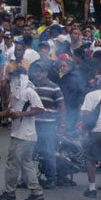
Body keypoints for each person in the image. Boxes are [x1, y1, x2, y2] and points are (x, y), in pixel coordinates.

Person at [0, 66, 45, 200]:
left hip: (23, 135)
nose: (10, 81)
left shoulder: (29, 91)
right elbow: (11, 111)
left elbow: (39, 108)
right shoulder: (17, 93)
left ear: (20, 78)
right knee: (27, 163)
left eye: (13, 78)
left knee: (12, 164)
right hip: (23, 135)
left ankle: (10, 193)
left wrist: (21, 114)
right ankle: (36, 192)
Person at [30, 61, 66, 189]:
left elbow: (62, 108)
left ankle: (51, 179)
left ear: (46, 73)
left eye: (41, 71)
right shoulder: (31, 87)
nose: (38, 74)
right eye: (36, 71)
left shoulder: (54, 87)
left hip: (48, 126)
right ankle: (29, 179)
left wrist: (62, 125)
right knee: (30, 153)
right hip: (32, 125)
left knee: (48, 153)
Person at [80, 75, 101, 198]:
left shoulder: (91, 95)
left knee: (91, 159)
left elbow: (85, 115)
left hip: (96, 131)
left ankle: (92, 189)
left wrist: (85, 131)